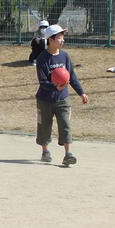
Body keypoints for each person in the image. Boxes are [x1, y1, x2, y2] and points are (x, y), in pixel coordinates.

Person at [35, 24, 89, 165]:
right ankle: (45, 151)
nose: (62, 40)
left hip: (63, 98)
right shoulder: (42, 58)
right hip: (45, 99)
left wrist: (81, 93)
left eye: (62, 37)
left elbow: (72, 76)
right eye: (59, 37)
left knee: (65, 124)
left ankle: (68, 155)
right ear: (51, 39)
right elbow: (43, 82)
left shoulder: (65, 56)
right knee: (44, 126)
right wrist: (55, 86)